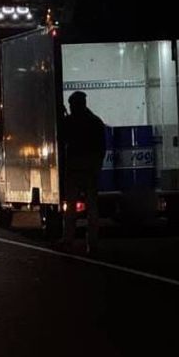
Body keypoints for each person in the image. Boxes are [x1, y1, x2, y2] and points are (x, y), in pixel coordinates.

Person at [58, 91, 106, 252]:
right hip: (91, 167)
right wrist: (97, 166)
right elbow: (101, 147)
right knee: (92, 207)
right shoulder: (95, 122)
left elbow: (62, 138)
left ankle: (68, 240)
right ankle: (92, 242)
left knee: (71, 206)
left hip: (75, 167)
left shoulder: (70, 122)